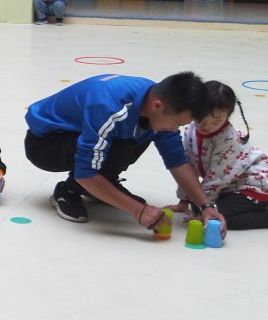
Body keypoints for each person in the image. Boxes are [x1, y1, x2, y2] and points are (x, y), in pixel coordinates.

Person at [24, 71, 223, 233]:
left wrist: (206, 206)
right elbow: (85, 172)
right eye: (177, 123)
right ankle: (68, 191)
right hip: (45, 143)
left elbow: (176, 159)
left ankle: (102, 186)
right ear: (157, 105)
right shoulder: (111, 108)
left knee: (141, 133)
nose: (175, 129)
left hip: (80, 136)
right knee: (121, 145)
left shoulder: (158, 102)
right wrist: (138, 211)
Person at [166, 81, 268, 229]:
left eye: (215, 122)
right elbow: (187, 167)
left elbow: (217, 179)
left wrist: (205, 209)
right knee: (198, 206)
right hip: (228, 186)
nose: (206, 126)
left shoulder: (228, 140)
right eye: (200, 118)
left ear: (228, 116)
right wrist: (184, 200)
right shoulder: (190, 130)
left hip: (253, 188)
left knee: (215, 217)